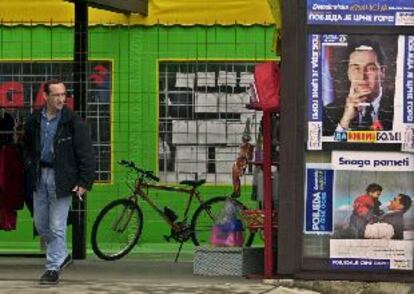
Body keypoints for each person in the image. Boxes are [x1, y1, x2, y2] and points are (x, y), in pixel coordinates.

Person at [24, 80, 95, 285]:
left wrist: (84, 181)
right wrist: (29, 165)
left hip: (62, 178)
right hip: (40, 177)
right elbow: (27, 147)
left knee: (57, 226)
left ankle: (53, 268)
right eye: (56, 95)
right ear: (45, 97)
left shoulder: (72, 121)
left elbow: (87, 153)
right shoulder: (35, 120)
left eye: (64, 94)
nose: (61, 99)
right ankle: (62, 254)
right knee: (41, 224)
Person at [323, 39, 394, 136]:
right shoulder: (329, 111)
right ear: (348, 73)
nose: (362, 77)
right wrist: (345, 121)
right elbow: (329, 148)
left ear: (382, 72)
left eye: (370, 68)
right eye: (356, 68)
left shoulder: (398, 107)